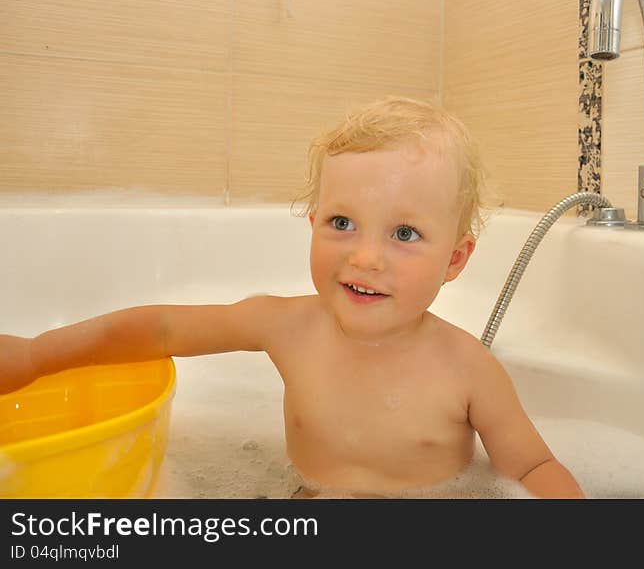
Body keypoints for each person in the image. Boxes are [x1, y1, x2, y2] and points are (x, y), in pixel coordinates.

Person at [0, 96, 586, 499]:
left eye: (404, 234)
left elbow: (532, 465)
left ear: (455, 259)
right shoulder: (287, 326)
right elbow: (159, 330)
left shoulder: (469, 369)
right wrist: (35, 355)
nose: (365, 257)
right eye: (341, 222)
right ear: (312, 223)